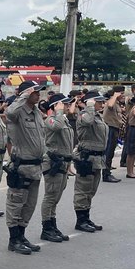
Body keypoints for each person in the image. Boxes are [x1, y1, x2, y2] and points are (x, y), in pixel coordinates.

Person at [4, 81, 45, 255]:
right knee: (16, 203)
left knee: (29, 205)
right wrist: (23, 95)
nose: (39, 95)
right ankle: (13, 239)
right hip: (22, 166)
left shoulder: (37, 112)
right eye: (35, 92)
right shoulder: (18, 111)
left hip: (35, 166)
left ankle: (21, 235)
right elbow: (10, 112)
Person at [40, 93, 76, 243]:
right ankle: (46, 228)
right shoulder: (51, 119)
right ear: (56, 106)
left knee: (56, 197)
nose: (67, 106)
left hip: (63, 163)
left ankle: (52, 224)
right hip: (53, 163)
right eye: (64, 104)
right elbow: (57, 126)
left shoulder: (64, 120)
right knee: (50, 196)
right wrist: (59, 111)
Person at [73, 91, 107, 231]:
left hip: (97, 158)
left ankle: (86, 217)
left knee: (91, 189)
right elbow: (87, 121)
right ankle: (80, 220)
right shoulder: (84, 115)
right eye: (98, 101)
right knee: (83, 190)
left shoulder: (97, 116)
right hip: (87, 157)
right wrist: (90, 107)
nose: (101, 103)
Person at [102, 86, 125, 183]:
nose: (123, 95)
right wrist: (115, 95)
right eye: (121, 93)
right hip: (110, 128)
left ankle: (107, 171)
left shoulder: (116, 103)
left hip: (115, 128)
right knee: (108, 151)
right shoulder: (111, 101)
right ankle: (106, 174)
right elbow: (110, 105)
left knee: (110, 152)